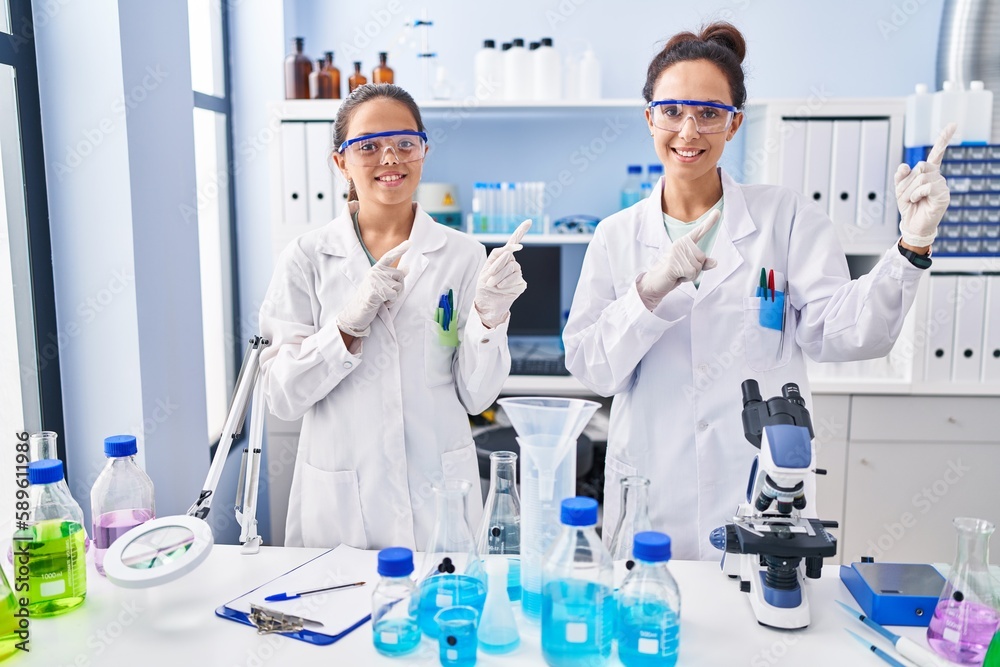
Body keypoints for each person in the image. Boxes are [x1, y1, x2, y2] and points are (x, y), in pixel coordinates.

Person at [563, 22, 953, 560]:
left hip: (760, 490)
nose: (689, 130)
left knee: (765, 623)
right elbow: (590, 367)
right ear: (649, 116)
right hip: (653, 492)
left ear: (735, 123)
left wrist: (912, 242)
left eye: (709, 113)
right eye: (673, 111)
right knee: (653, 625)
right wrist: (648, 292)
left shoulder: (784, 218)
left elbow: (843, 333)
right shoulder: (615, 236)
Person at [259, 83, 531, 549]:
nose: (390, 158)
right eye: (368, 146)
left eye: (405, 143)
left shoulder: (463, 255)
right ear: (340, 162)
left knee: (444, 615)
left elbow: (477, 394)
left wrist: (489, 319)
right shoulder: (306, 257)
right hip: (342, 505)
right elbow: (282, 397)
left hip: (437, 497)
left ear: (423, 151)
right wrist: (344, 328)